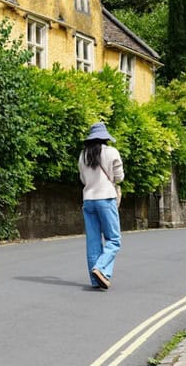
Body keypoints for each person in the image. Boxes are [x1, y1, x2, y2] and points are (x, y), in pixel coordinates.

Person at [79, 121, 124, 290]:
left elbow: (83, 179)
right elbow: (119, 177)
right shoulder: (112, 152)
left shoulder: (83, 155)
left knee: (93, 241)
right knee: (114, 239)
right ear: (105, 138)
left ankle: (95, 280)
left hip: (88, 200)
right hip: (106, 198)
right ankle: (101, 269)